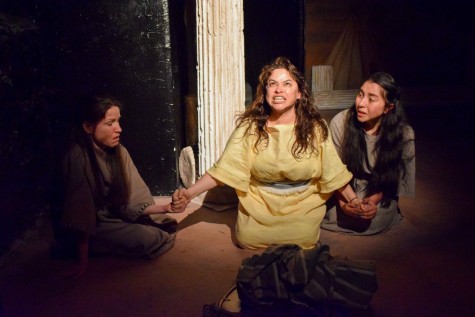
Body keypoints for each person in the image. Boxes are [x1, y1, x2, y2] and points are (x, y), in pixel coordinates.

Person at [172, 57, 359, 249]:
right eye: (272, 84)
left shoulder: (316, 128)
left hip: (303, 204)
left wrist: (354, 200)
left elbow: (333, 170)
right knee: (248, 239)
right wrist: (189, 193)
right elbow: (223, 170)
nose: (278, 90)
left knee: (302, 242)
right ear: (265, 92)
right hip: (259, 204)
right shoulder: (250, 128)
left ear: (299, 94)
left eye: (287, 84)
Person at [52, 95, 181, 278]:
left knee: (164, 221)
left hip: (115, 214)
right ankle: (92, 247)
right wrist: (82, 262)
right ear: (88, 127)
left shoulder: (119, 151)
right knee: (151, 238)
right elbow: (80, 214)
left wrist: (166, 207)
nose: (118, 129)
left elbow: (132, 198)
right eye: (110, 123)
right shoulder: (77, 158)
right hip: (93, 226)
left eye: (118, 121)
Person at [321, 72, 415, 235]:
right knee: (329, 213)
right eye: (360, 95)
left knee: (376, 220)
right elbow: (333, 170)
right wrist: (345, 205)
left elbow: (393, 177)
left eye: (371, 99)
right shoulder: (341, 123)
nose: (361, 103)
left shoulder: (403, 134)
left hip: (377, 189)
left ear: (388, 108)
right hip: (343, 188)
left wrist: (372, 201)